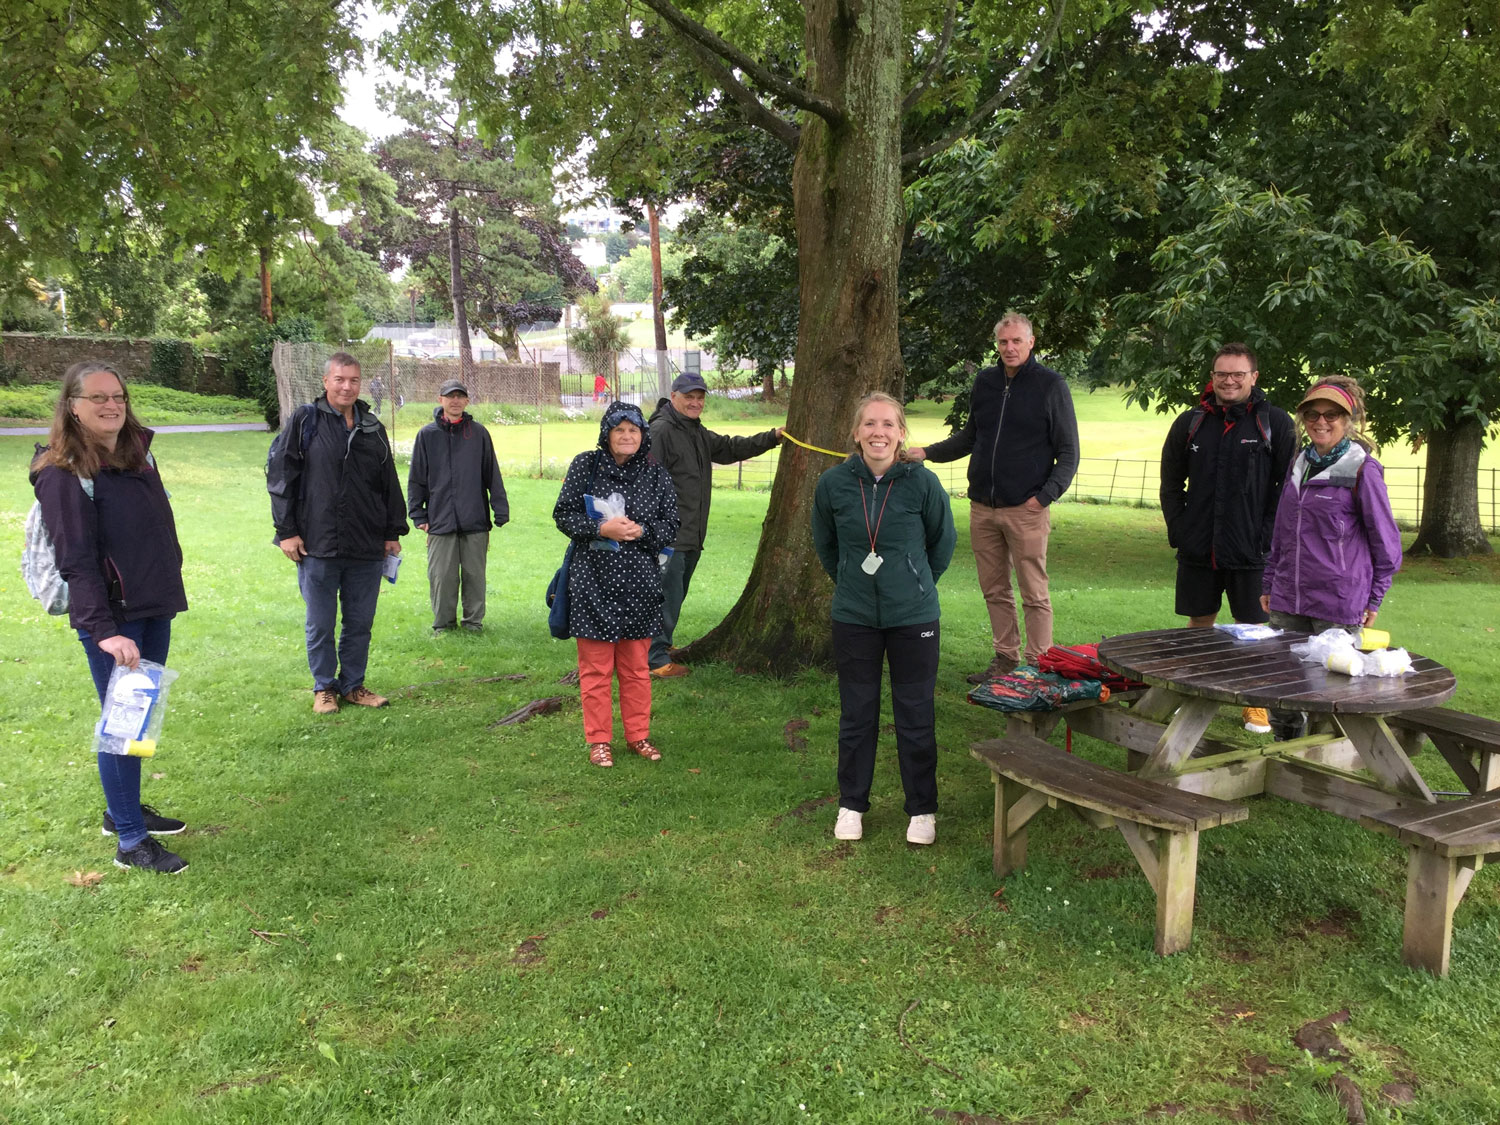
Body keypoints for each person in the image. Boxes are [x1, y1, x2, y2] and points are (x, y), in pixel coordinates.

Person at [30, 361, 190, 874]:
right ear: (72, 406)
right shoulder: (63, 471)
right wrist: (104, 632)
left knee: (137, 716)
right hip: (114, 620)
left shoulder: (136, 454)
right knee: (123, 725)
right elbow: (76, 559)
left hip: (152, 604)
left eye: (117, 396)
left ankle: (122, 808)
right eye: (97, 398)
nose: (111, 405)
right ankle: (129, 839)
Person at [813, 392, 956, 845]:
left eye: (888, 425)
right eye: (870, 424)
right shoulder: (833, 484)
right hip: (854, 616)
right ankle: (851, 804)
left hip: (913, 616)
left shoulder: (922, 483)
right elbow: (827, 546)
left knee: (915, 714)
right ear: (856, 432)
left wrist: (913, 583)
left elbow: (942, 542)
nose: (879, 432)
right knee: (857, 715)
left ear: (901, 433)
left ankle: (922, 811)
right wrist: (855, 583)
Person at [909, 312, 1078, 683]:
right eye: (1003, 342)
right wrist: (926, 452)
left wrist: (1044, 498)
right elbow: (971, 437)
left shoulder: (1051, 386)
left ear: (1031, 342)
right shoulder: (985, 382)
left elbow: (1069, 452)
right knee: (994, 589)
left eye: (1017, 341)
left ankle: (1037, 666)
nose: (1009, 348)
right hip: (983, 507)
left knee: (1034, 591)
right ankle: (1005, 660)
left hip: (1026, 508)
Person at [1159, 343, 1295, 733]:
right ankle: (1193, 694)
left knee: (1253, 628)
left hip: (1253, 549)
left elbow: (1286, 489)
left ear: (1254, 377)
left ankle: (1254, 702)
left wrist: (1268, 537)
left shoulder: (1276, 424)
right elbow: (1170, 482)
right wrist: (1179, 530)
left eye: (1238, 374)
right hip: (1199, 545)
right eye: (1222, 374)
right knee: (1199, 622)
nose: (1229, 381)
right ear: (1212, 377)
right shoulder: (1191, 422)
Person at [1261, 376, 1402, 740]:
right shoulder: (1298, 464)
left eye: (1332, 415)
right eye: (1313, 415)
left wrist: (1375, 597)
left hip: (1338, 600)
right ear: (1303, 420)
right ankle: (1285, 746)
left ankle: (1330, 754)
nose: (1321, 422)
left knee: (1337, 686)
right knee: (1282, 680)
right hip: (1289, 596)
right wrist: (1269, 581)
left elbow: (1386, 545)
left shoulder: (1362, 470)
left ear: (1348, 420)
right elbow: (1281, 531)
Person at [267, 352, 408, 714]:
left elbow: (388, 482)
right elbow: (282, 477)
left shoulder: (372, 427)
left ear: (361, 384)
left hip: (366, 543)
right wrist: (287, 531)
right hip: (318, 543)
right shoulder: (306, 420)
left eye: (354, 380)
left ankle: (353, 685)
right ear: (326, 382)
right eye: (340, 379)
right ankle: (324, 687)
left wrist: (392, 530)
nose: (347, 386)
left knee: (360, 622)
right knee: (320, 622)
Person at [553, 402, 681, 767]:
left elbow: (672, 524)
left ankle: (638, 736)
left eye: (633, 430)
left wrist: (642, 531)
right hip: (592, 580)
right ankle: (599, 740)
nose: (626, 436)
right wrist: (600, 528)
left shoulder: (656, 474)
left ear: (643, 435)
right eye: (619, 429)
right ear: (607, 433)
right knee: (595, 669)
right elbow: (563, 514)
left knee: (636, 668)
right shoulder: (586, 465)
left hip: (640, 583)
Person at [646, 371, 783, 678]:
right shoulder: (662, 431)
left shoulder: (693, 430)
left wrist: (772, 437)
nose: (695, 403)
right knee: (665, 596)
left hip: (692, 533)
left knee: (676, 594)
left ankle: (661, 647)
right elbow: (647, 483)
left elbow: (729, 448)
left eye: (700, 398)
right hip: (670, 534)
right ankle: (653, 660)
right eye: (689, 397)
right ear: (674, 396)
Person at [408, 378, 510, 634]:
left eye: (459, 396)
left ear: (466, 400)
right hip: (440, 520)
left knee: (475, 575)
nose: (455, 401)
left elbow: (491, 473)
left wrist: (500, 509)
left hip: (474, 518)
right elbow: (416, 478)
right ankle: (443, 624)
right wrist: (418, 514)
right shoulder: (427, 435)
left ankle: (473, 622)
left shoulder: (478, 433)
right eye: (449, 396)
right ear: (440, 399)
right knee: (442, 576)